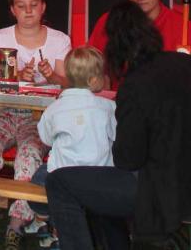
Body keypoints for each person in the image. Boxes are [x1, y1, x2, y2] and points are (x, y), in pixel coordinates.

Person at [46, 1, 191, 249]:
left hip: (159, 193)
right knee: (100, 188)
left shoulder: (135, 84)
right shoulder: (190, 64)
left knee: (59, 182)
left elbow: (128, 159)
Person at [0, 0, 71, 250]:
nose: (28, 11)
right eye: (21, 6)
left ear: (43, 7)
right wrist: (14, 78)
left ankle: (17, 225)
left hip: (38, 116)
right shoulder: (0, 37)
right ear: (13, 10)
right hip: (1, 110)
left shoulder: (60, 40)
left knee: (29, 157)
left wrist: (50, 76)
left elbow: (66, 85)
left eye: (34, 5)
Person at [29, 47, 116, 248]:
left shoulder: (54, 108)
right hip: (99, 175)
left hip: (62, 176)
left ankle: (46, 222)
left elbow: (46, 138)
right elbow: (116, 136)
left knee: (38, 181)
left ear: (67, 76)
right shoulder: (108, 107)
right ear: (95, 81)